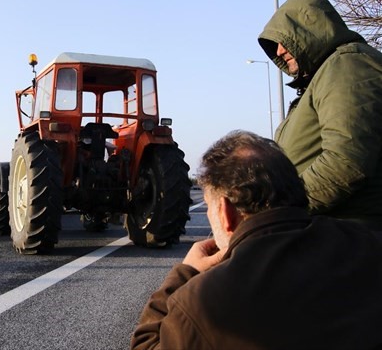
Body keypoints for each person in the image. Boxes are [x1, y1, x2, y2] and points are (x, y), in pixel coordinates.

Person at [130, 130, 382, 350]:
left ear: (225, 213)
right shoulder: (368, 245)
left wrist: (185, 273)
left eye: (208, 206)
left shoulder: (202, 301)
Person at [258, 0, 382, 229]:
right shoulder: (327, 73)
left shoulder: (348, 65)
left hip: (351, 236)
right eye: (275, 45)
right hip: (332, 231)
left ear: (308, 32)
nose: (279, 50)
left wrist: (281, 210)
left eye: (285, 39)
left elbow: (346, 161)